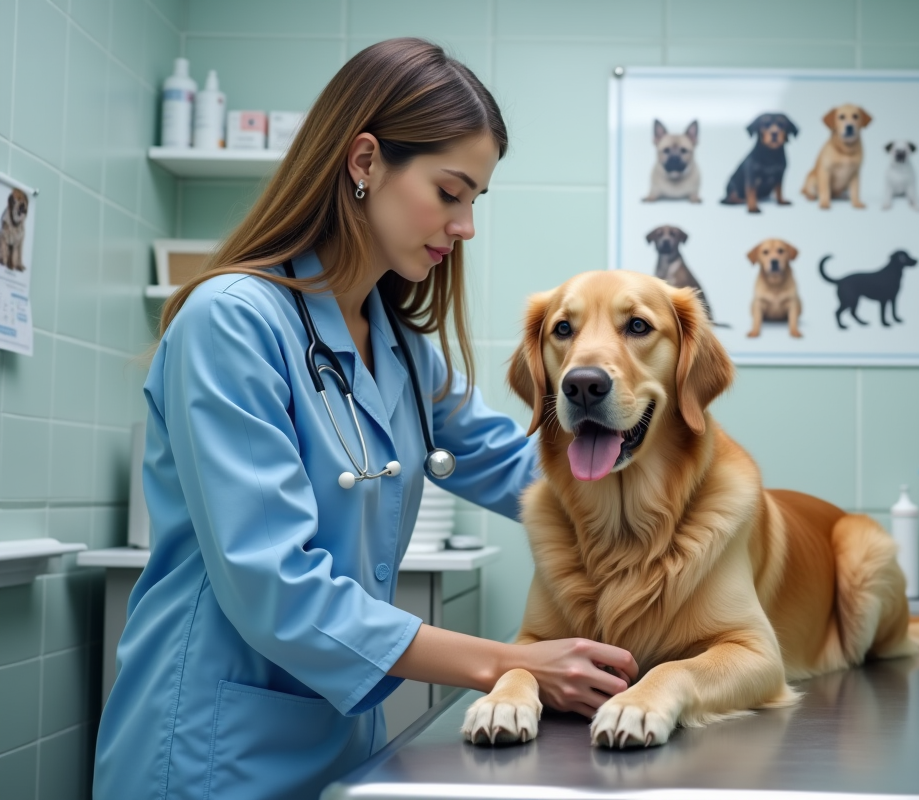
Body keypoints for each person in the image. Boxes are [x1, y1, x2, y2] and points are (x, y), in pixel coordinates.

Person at [93, 39, 636, 800]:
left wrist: (713, 511)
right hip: (210, 749)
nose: (466, 225)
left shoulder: (402, 353)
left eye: (476, 200)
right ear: (365, 161)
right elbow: (277, 587)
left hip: (344, 745)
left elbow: (531, 475)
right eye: (451, 193)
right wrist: (512, 662)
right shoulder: (231, 322)